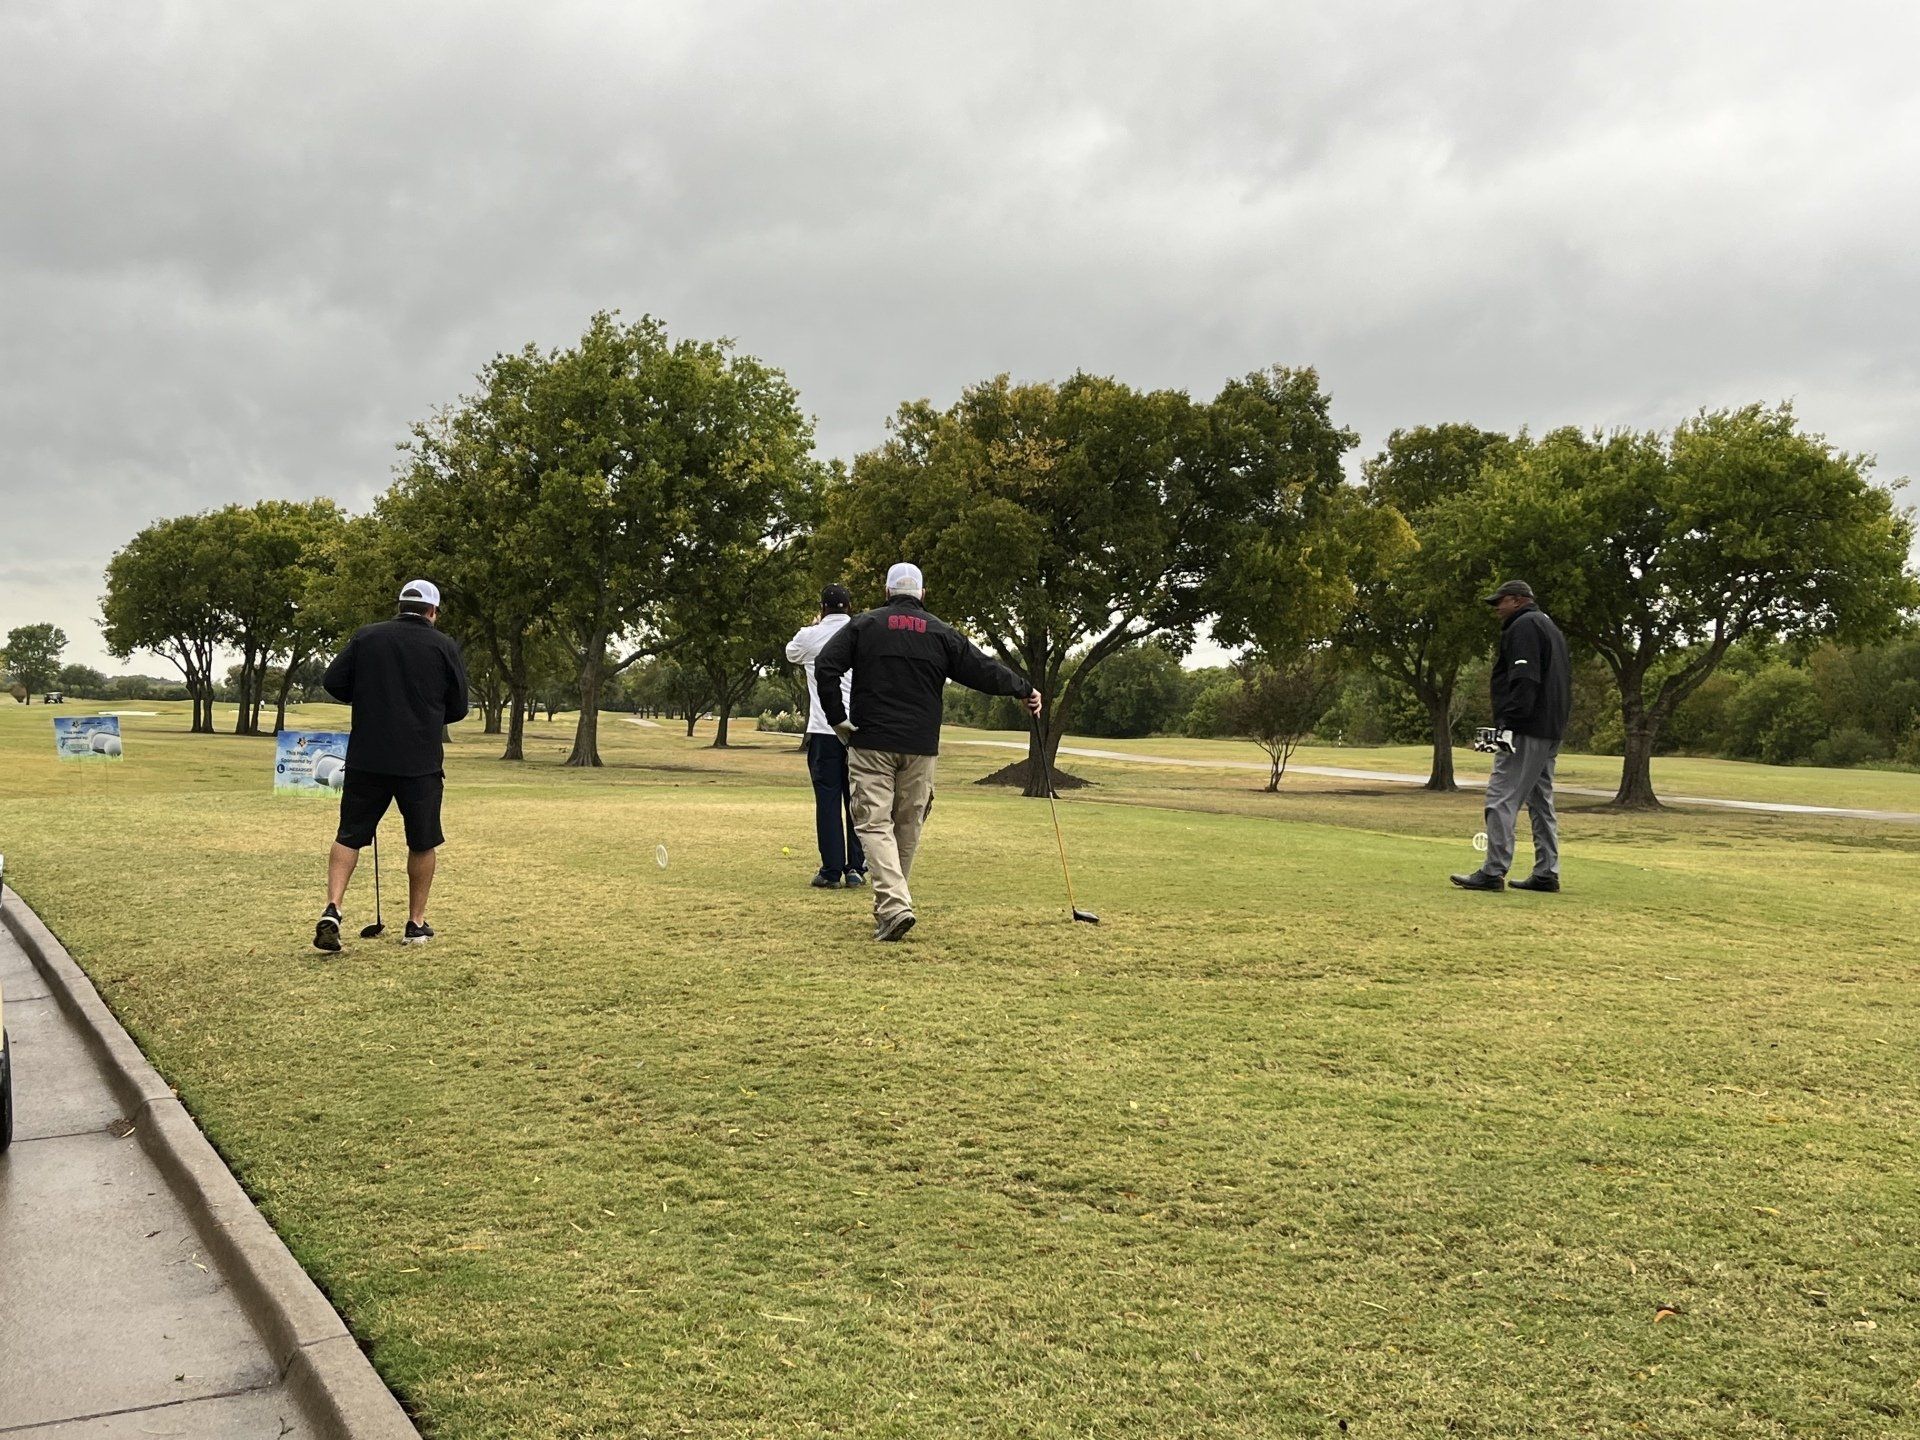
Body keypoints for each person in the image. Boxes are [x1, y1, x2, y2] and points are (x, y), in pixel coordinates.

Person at [814, 562, 1041, 941]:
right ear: (922, 594)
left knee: (872, 823)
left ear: (887, 593)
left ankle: (894, 907)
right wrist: (1024, 688)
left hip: (870, 741)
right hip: (921, 747)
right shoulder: (941, 632)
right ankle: (891, 907)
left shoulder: (865, 625)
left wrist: (837, 720)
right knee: (907, 825)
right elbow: (982, 669)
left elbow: (826, 666)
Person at [313, 580, 469, 950]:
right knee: (422, 841)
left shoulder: (367, 637)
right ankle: (415, 923)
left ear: (400, 607)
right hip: (420, 761)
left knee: (349, 834)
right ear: (432, 611)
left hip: (368, 757)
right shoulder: (444, 645)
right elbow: (459, 707)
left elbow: (333, 681)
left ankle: (333, 908)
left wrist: (367, 693)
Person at [1452, 579, 1571, 893]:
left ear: (1518, 600)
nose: (1497, 609)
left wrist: (1509, 722)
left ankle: (1493, 871)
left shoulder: (1524, 627)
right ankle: (1547, 872)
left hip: (1527, 727)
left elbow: (1524, 679)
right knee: (1540, 800)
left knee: (1500, 796)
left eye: (1500, 602)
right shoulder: (1550, 627)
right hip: (1551, 727)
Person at [785, 583, 867, 890]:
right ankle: (856, 867)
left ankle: (831, 870)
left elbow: (791, 653)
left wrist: (814, 625)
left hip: (823, 729)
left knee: (828, 800)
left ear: (822, 608)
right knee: (857, 799)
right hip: (857, 731)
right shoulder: (863, 631)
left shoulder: (810, 636)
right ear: (850, 605)